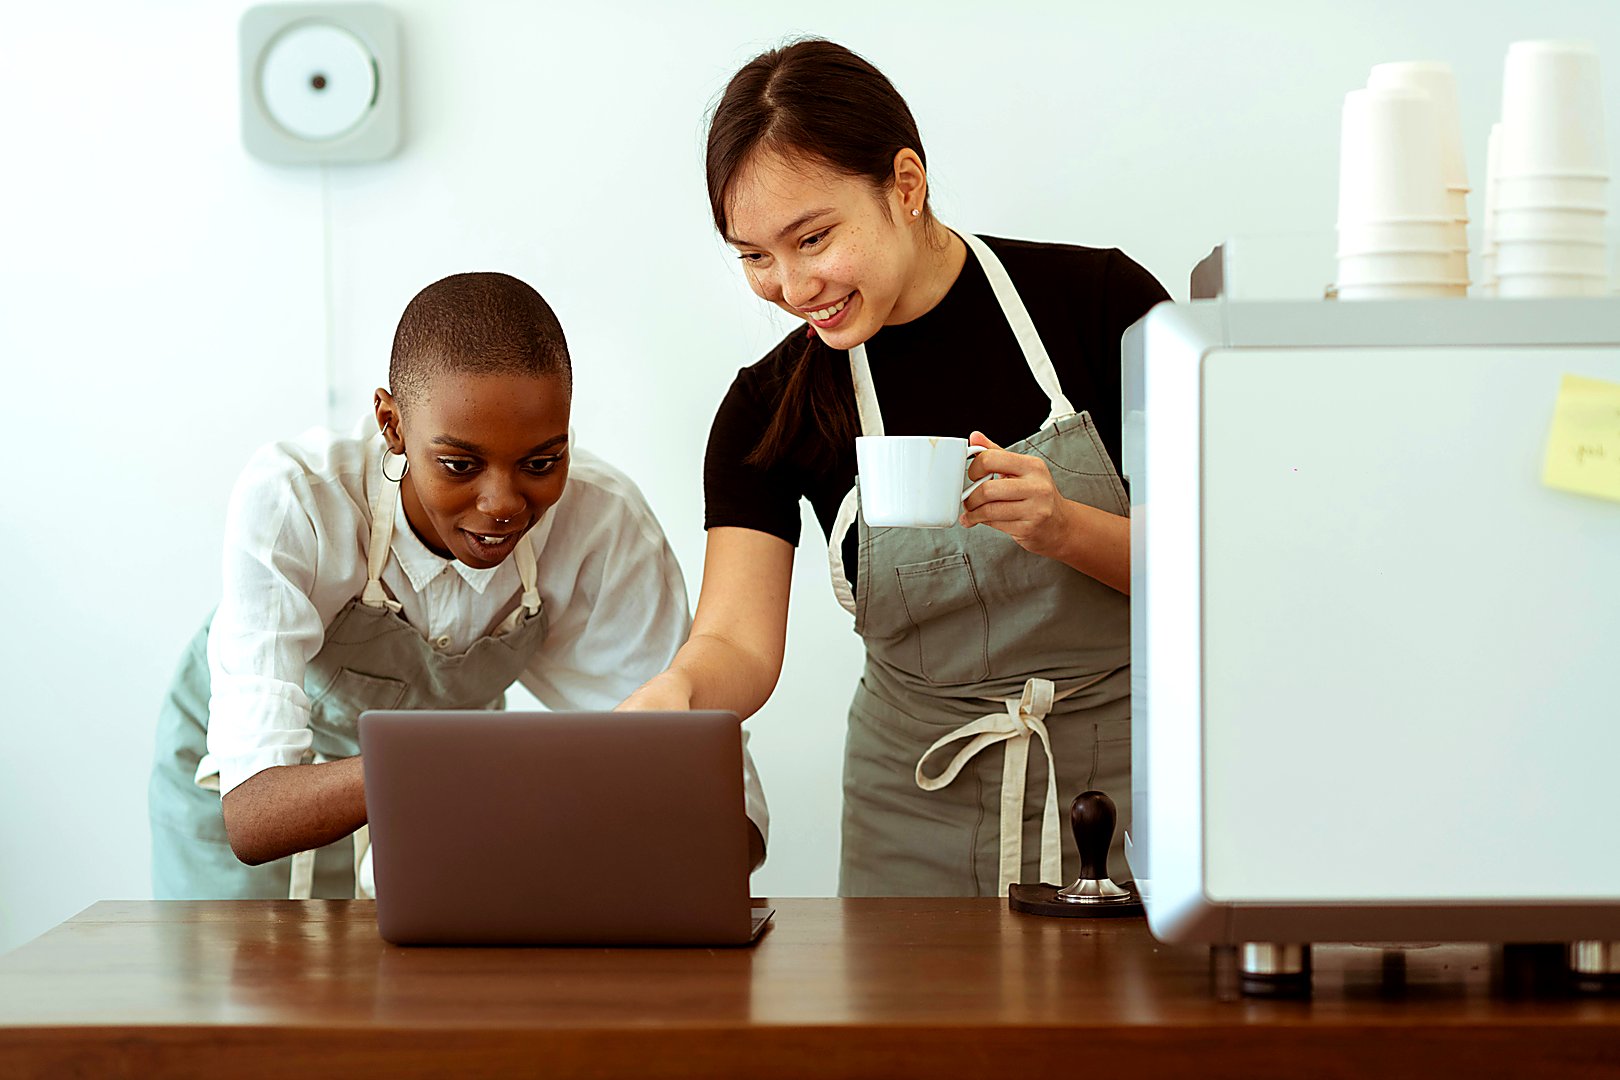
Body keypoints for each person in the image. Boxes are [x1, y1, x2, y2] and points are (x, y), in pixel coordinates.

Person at [620, 40, 1169, 897]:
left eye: (813, 238)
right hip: (912, 803)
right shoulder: (768, 410)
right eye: (755, 256)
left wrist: (1066, 528)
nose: (792, 286)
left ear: (905, 185)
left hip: (1138, 787)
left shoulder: (1101, 307)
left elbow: (1217, 579)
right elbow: (737, 641)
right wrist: (681, 691)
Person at [150, 272, 768, 899]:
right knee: (248, 992)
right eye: (459, 465)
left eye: (541, 463)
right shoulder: (297, 500)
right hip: (248, 787)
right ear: (391, 424)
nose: (502, 504)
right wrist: (466, 765)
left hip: (430, 806)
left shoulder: (602, 527)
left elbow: (716, 801)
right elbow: (253, 818)